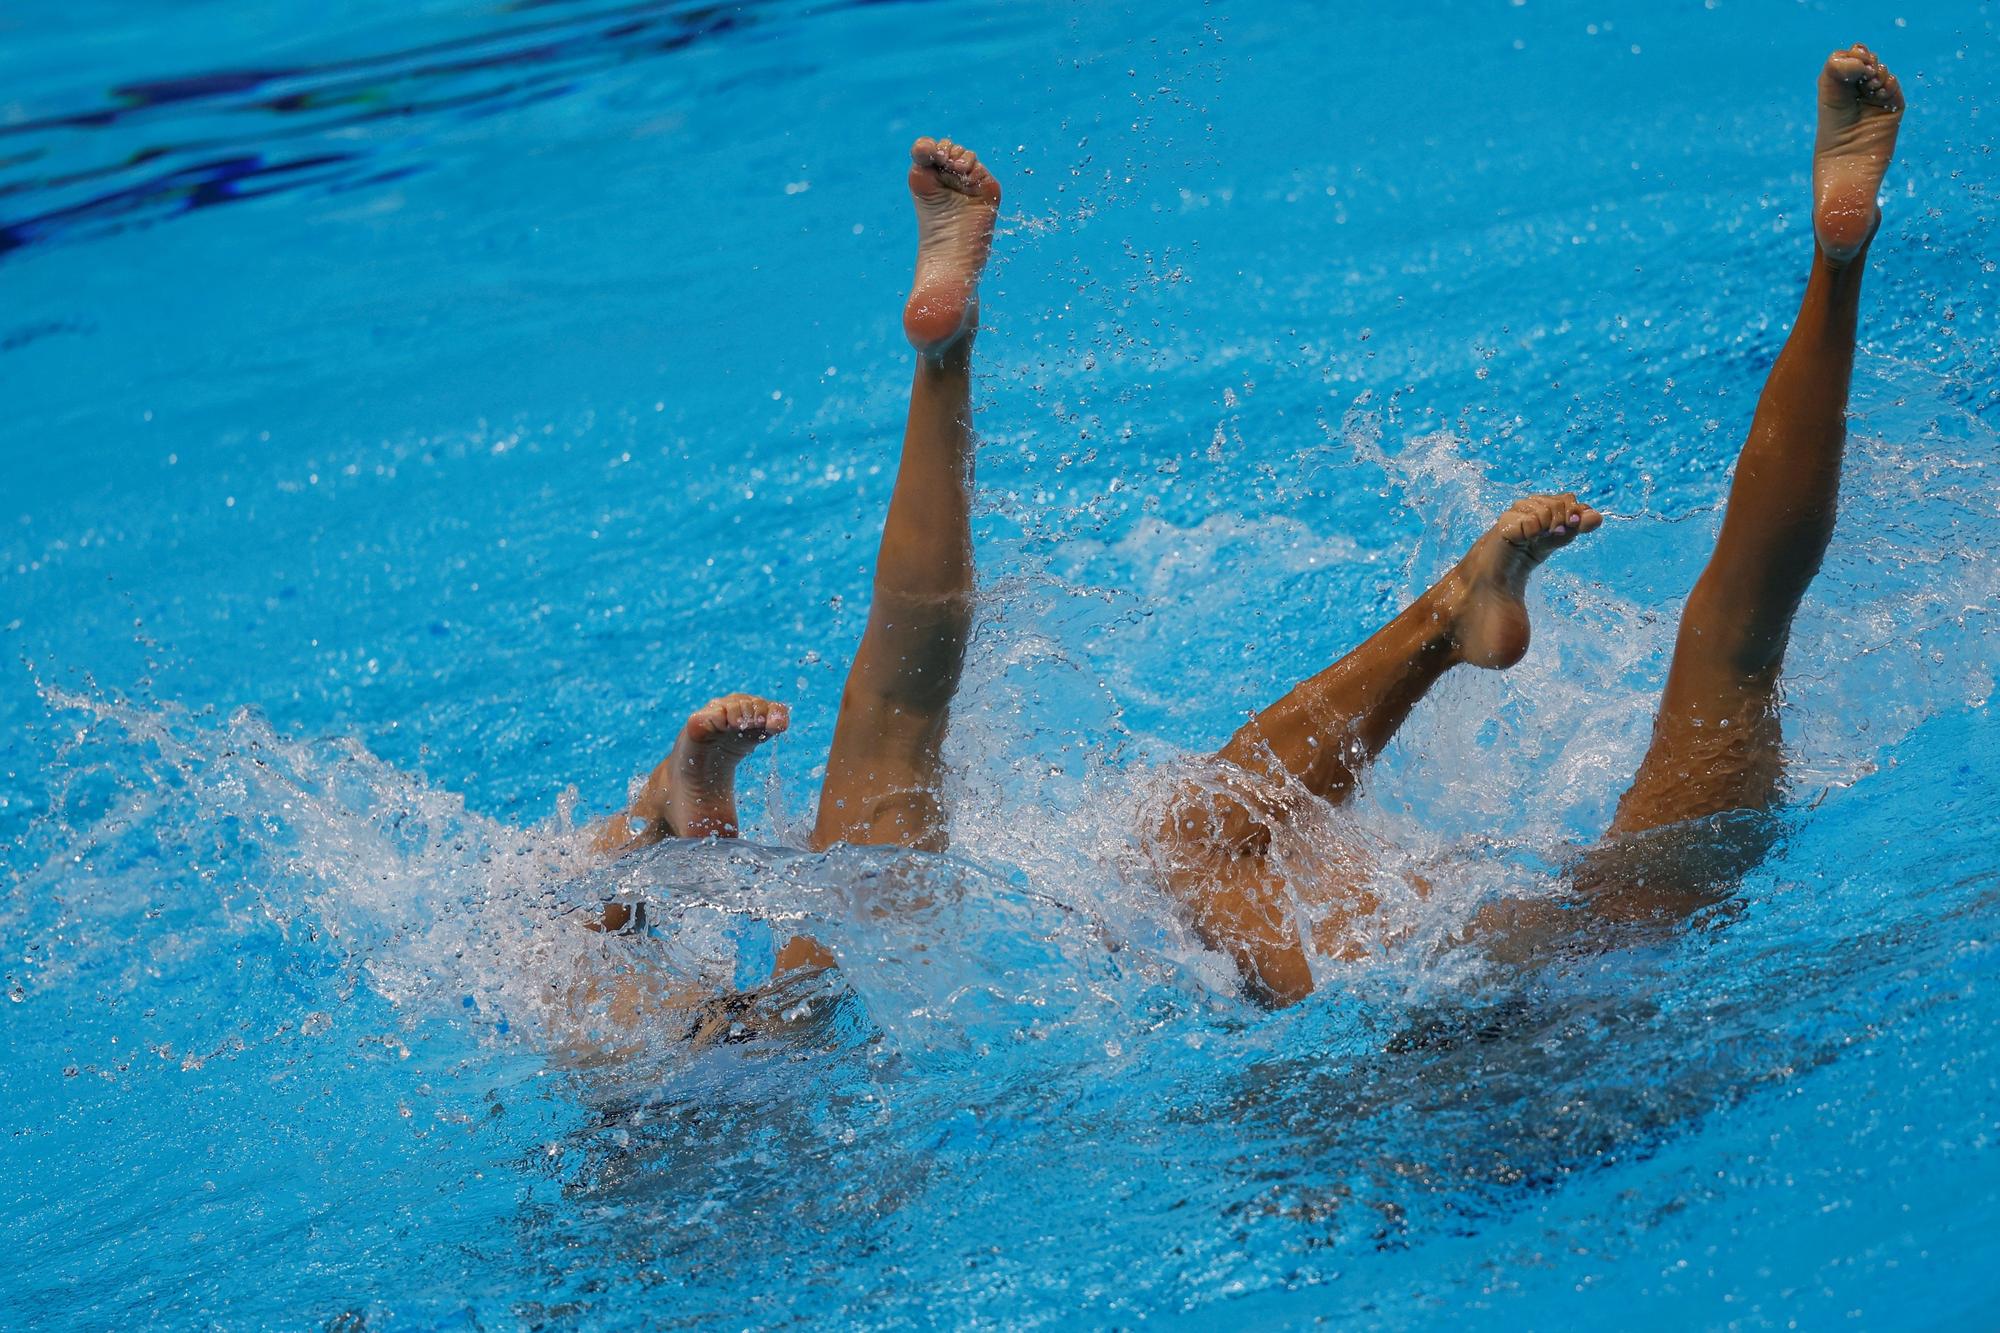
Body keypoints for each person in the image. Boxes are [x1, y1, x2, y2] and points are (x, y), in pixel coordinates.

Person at [591, 44, 1905, 1010]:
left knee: (1186, 849)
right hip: (1547, 996)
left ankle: (643, 846)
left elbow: (1745, 609)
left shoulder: (1598, 910)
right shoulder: (1594, 920)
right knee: (1732, 646)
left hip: (1417, 1056)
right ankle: (1827, 274)